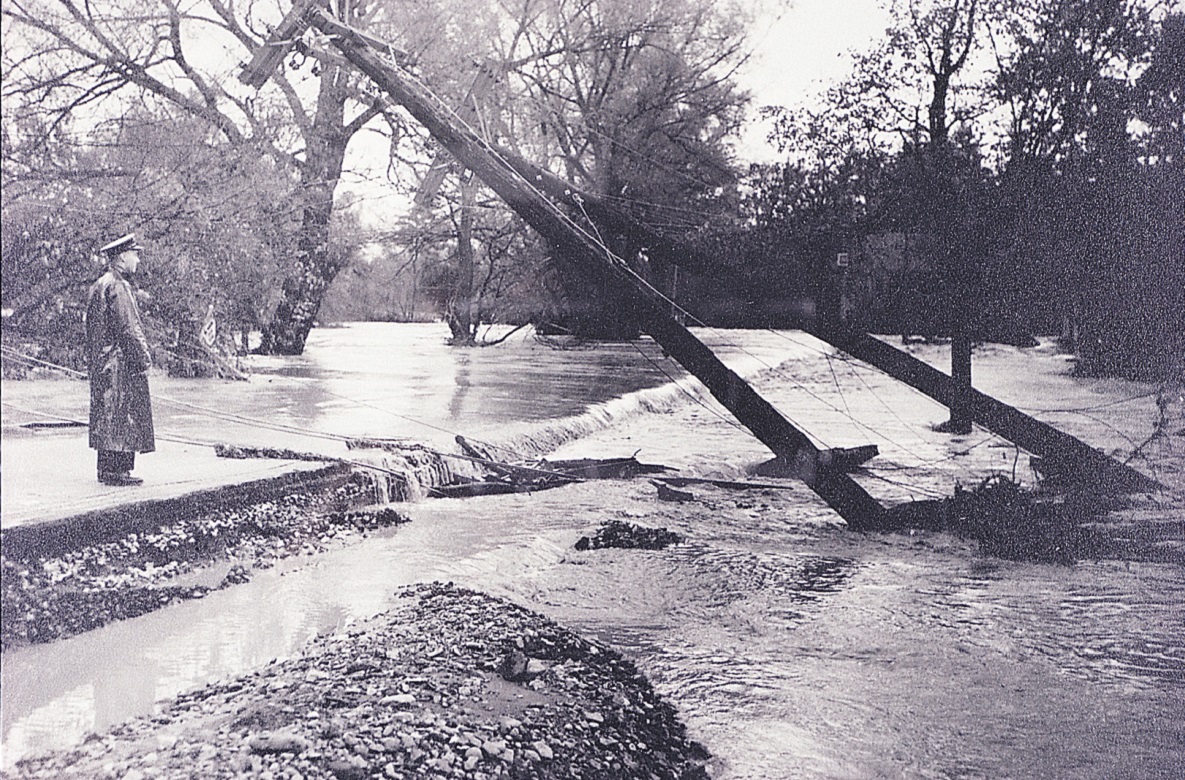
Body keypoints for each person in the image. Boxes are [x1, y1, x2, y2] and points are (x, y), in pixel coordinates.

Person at [86, 234, 155, 485]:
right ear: (123, 257)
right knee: (122, 415)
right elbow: (129, 328)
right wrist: (144, 360)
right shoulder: (119, 286)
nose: (137, 259)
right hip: (119, 363)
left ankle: (106, 469)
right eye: (135, 254)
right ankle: (118, 471)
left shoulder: (98, 284)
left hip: (101, 361)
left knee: (106, 414)